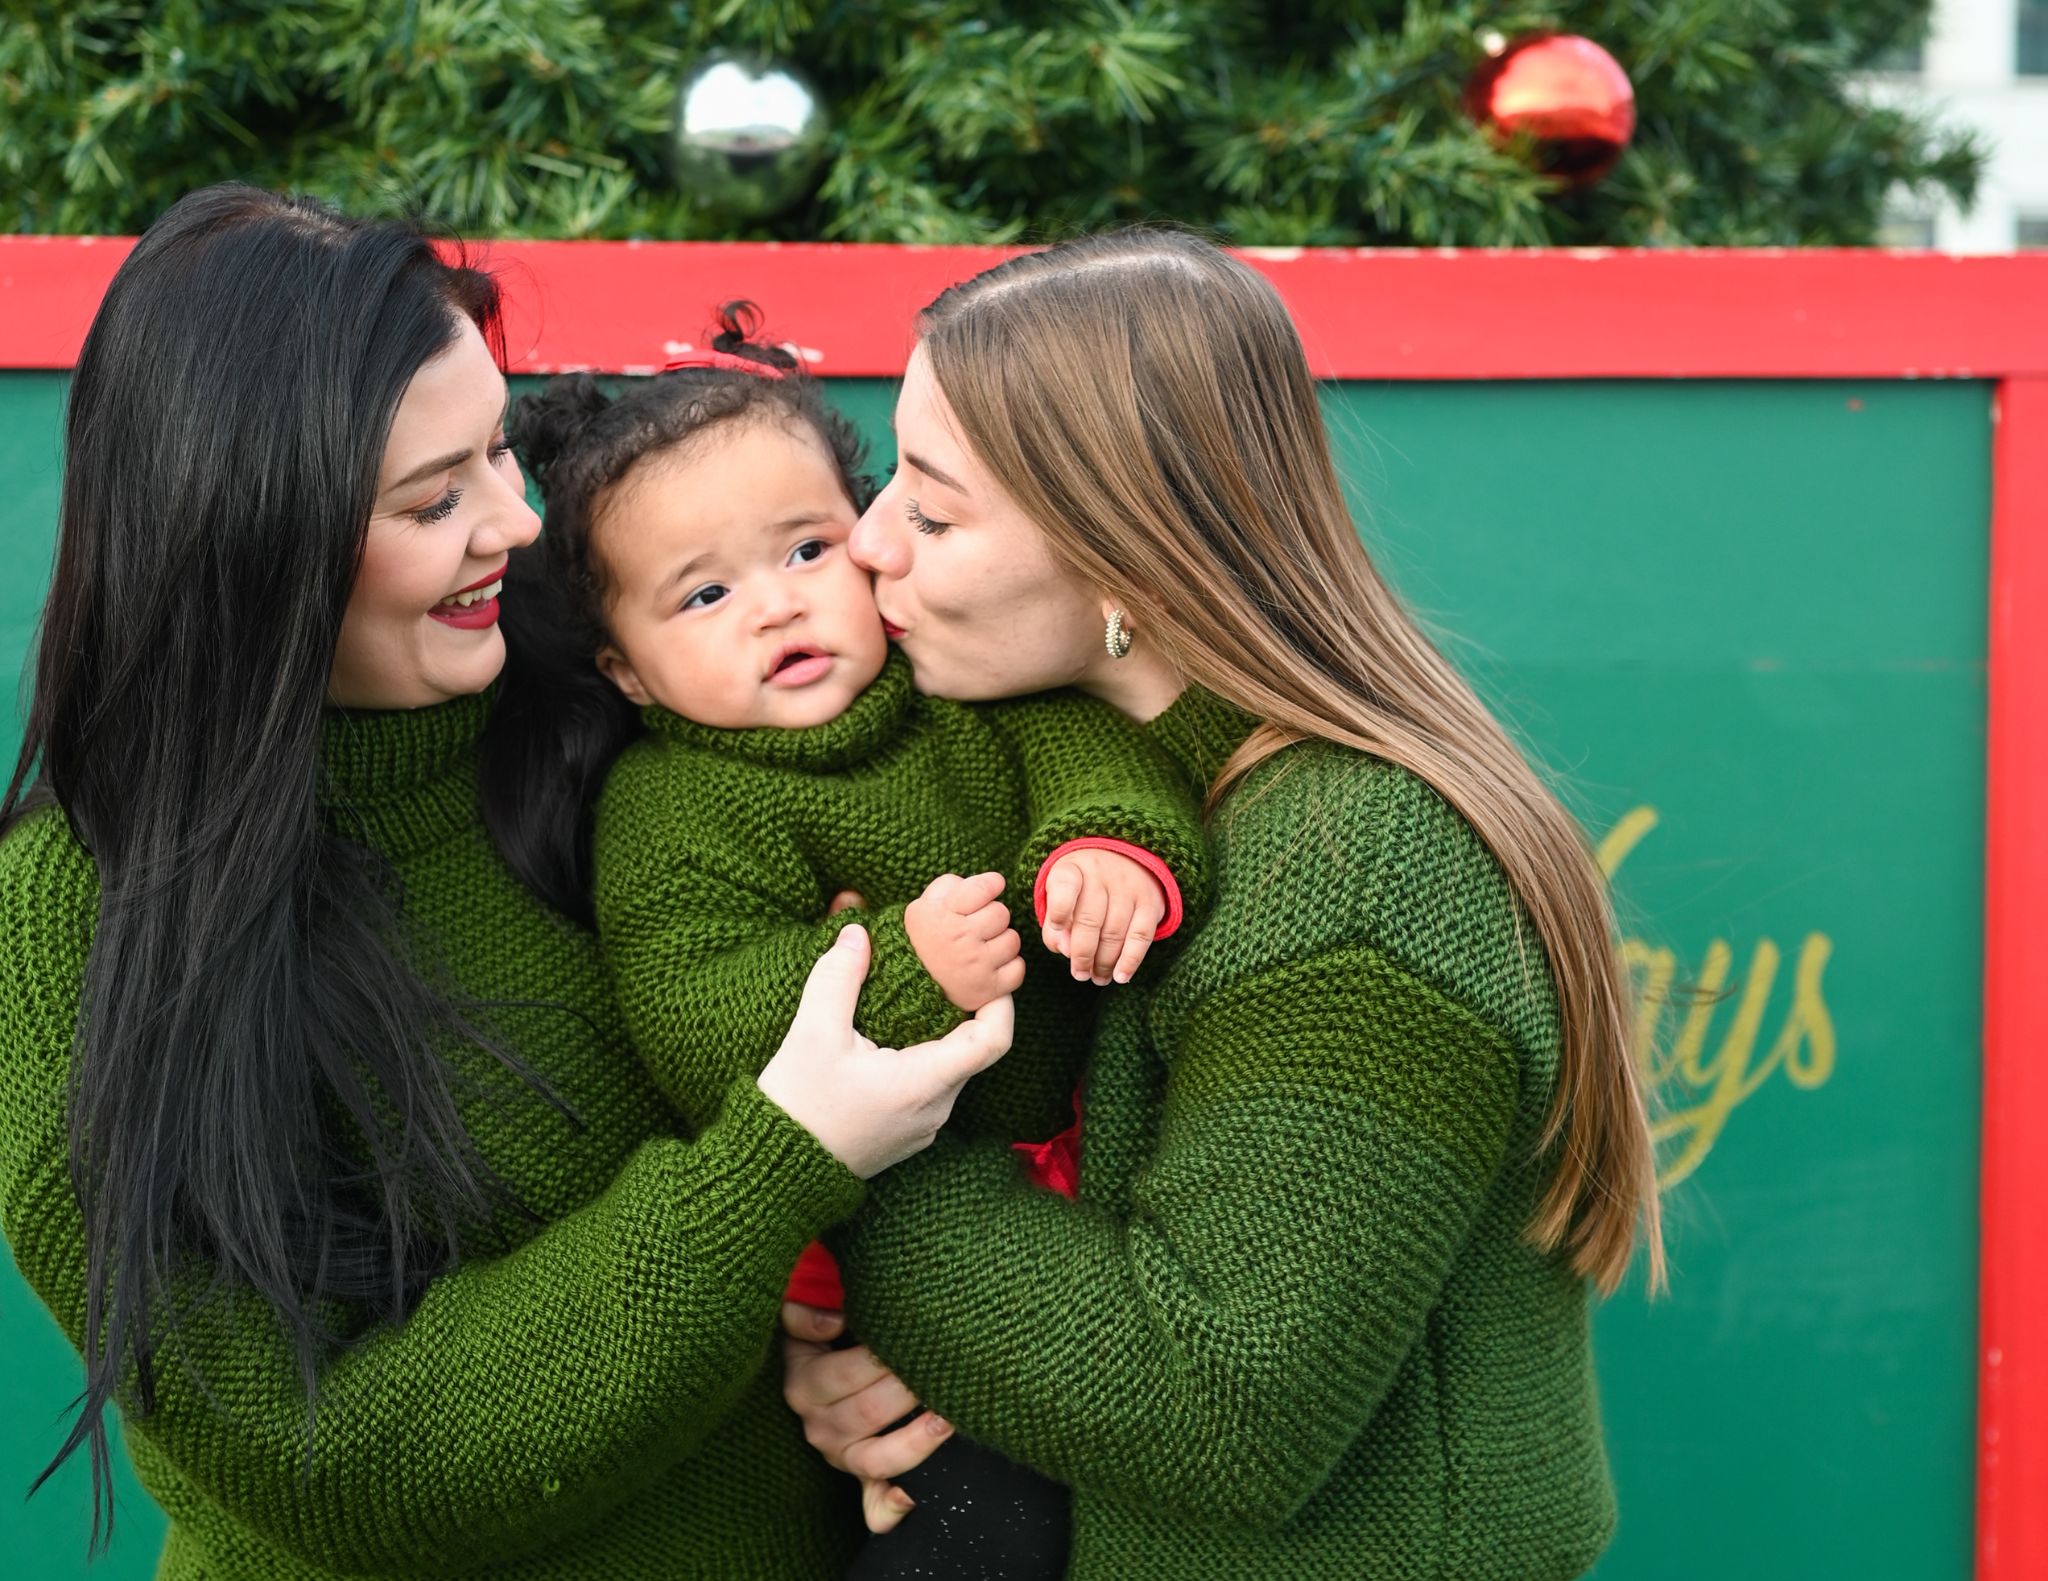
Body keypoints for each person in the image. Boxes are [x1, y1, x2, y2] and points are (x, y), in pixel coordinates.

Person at [0, 183, 1008, 1580]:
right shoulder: (77, 915)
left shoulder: (617, 702)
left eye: (499, 454)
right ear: (255, 538)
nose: (518, 523)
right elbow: (329, 1452)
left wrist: (866, 1334)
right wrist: (768, 1179)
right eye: (437, 496)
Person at [781, 227, 1667, 1580]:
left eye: (937, 508)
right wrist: (947, 1363)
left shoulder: (1354, 867)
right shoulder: (1115, 792)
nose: (869, 539)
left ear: (1128, 566)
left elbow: (1220, 1403)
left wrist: (844, 1147)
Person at [497, 304, 1209, 1581]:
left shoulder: (956, 694)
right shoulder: (675, 805)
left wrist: (1105, 855)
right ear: (630, 672)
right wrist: (896, 965)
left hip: (1089, 1190)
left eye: (809, 550)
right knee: (964, 1517)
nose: (775, 607)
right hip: (880, 1240)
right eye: (704, 594)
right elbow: (694, 1014)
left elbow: (1099, 767)